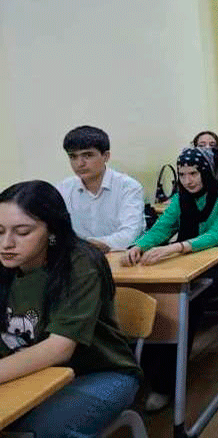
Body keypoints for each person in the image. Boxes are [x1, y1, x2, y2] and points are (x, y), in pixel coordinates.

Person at [0, 180, 140, 438]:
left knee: (45, 430)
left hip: (100, 373)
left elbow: (59, 348)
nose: (6, 243)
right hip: (31, 372)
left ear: (51, 231)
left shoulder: (79, 263)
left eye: (22, 232)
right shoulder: (6, 264)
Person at [125, 147, 218, 411]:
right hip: (188, 261)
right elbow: (162, 228)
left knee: (188, 302)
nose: (188, 180)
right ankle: (145, 370)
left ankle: (165, 384)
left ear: (206, 172)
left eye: (193, 173)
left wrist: (175, 248)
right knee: (155, 294)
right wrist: (138, 246)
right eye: (182, 174)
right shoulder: (180, 199)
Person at [56, 125, 145, 252]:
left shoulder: (128, 187)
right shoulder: (63, 189)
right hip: (79, 260)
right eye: (73, 157)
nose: (80, 163)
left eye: (87, 155)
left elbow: (130, 235)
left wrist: (86, 246)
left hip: (121, 258)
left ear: (106, 156)